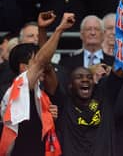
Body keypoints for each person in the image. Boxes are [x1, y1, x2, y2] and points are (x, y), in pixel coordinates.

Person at [0, 12, 75, 156]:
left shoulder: (40, 91)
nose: (41, 66)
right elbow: (43, 60)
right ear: (23, 68)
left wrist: (47, 116)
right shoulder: (18, 86)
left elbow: (44, 63)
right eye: (35, 62)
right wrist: (59, 29)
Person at [54, 57, 123, 155]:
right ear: (70, 85)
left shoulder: (105, 98)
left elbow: (120, 67)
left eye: (89, 77)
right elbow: (47, 68)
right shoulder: (64, 103)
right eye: (79, 77)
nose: (85, 80)